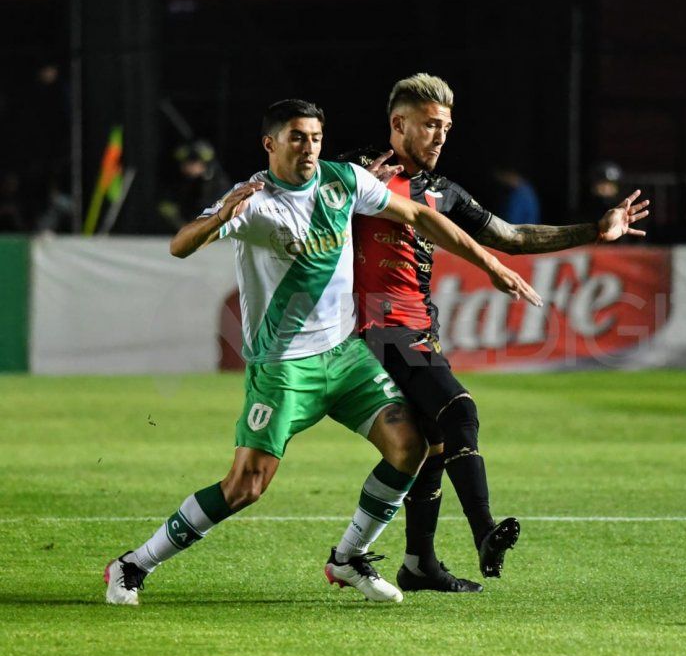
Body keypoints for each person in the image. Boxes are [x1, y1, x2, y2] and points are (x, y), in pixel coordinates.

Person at [103, 99, 541, 606]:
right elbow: (180, 245)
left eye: (314, 136)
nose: (308, 146)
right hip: (285, 367)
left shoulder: (344, 181)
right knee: (246, 485)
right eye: (296, 137)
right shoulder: (256, 201)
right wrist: (218, 217)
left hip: (346, 354)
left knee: (410, 446)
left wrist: (490, 264)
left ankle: (348, 558)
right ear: (270, 144)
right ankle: (133, 564)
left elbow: (420, 213)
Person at [345, 74, 649, 593]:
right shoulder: (354, 174)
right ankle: (484, 531)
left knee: (432, 442)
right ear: (398, 124)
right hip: (377, 325)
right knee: (459, 411)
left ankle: (418, 564)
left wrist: (595, 231)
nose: (440, 137)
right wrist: (338, 194)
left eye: (446, 127)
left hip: (420, 325)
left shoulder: (442, 192)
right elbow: (291, 201)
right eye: (429, 126)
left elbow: (512, 236)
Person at [156, 140, 232, 231]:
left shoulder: (217, 182)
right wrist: (180, 223)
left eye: (194, 162)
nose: (189, 166)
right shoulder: (177, 181)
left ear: (205, 164)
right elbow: (166, 204)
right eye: (185, 163)